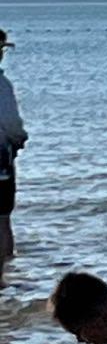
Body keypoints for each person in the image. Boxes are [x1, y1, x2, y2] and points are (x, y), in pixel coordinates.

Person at [0, 30, 26, 274]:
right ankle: (5, 273)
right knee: (2, 220)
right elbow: (11, 124)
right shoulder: (1, 85)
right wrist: (20, 140)